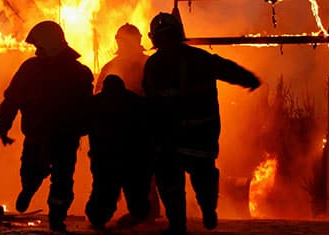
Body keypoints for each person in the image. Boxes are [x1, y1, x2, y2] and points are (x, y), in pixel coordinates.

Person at [142, 13, 261, 234]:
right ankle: (205, 212)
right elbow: (226, 68)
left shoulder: (153, 64)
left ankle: (183, 222)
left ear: (153, 39)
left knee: (172, 182)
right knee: (198, 177)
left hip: (172, 138)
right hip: (199, 135)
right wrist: (248, 79)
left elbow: (148, 102)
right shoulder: (199, 58)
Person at [0, 20, 93, 232]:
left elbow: (87, 107)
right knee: (31, 172)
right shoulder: (30, 69)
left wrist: (84, 129)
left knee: (62, 180)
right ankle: (29, 188)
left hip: (64, 138)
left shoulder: (78, 73)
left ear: (50, 45)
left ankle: (57, 218)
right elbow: (12, 98)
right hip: (37, 135)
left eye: (39, 47)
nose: (37, 51)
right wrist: (3, 125)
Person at [95, 23, 162, 221]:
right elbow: (99, 98)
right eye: (121, 40)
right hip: (118, 133)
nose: (122, 44)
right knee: (120, 174)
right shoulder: (110, 68)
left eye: (125, 40)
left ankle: (148, 213)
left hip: (143, 131)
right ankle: (136, 212)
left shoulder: (150, 66)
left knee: (145, 174)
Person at [84, 74, 152, 230]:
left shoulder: (95, 103)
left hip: (105, 158)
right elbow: (149, 127)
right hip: (133, 158)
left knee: (104, 189)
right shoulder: (137, 102)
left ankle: (98, 219)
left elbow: (83, 126)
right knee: (136, 190)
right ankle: (139, 213)